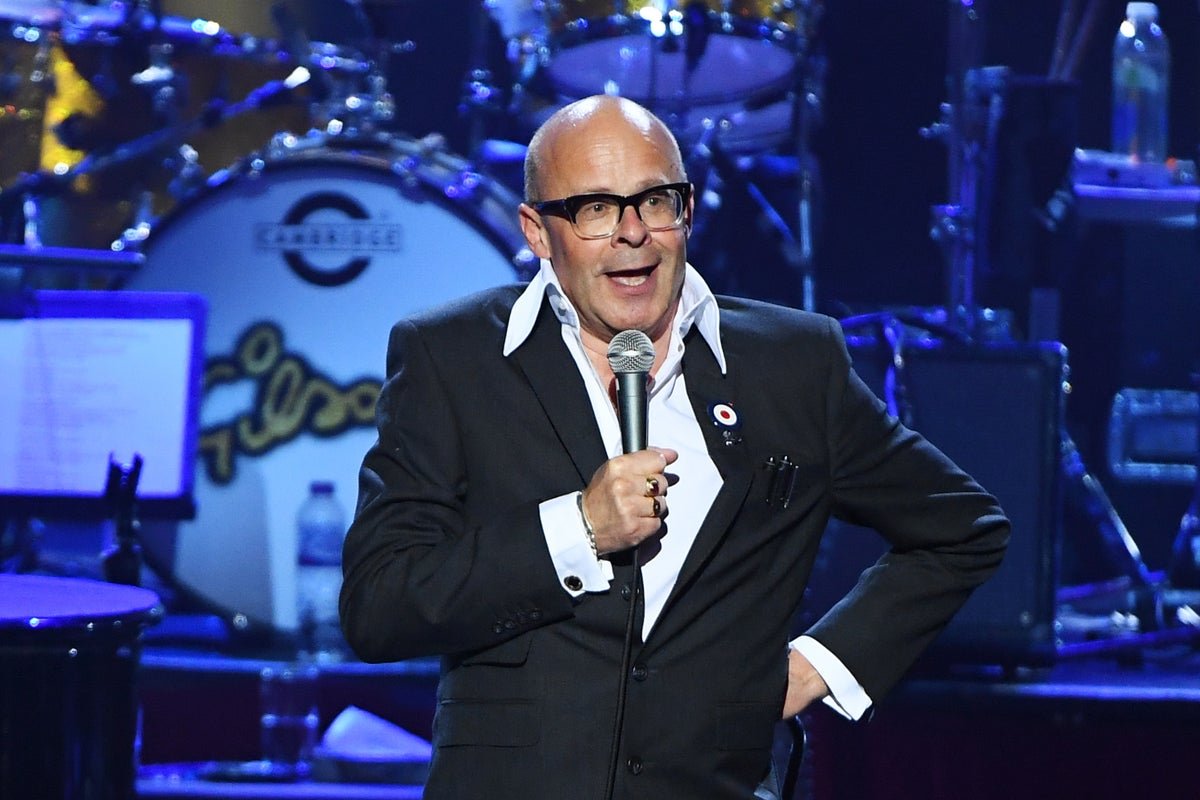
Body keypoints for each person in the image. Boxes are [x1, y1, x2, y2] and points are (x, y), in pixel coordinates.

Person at [339, 95, 1010, 799]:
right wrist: (579, 529)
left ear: (687, 210)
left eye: (654, 202)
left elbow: (963, 528)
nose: (633, 234)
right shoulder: (453, 358)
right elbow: (380, 606)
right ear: (538, 232)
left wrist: (815, 667)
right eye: (595, 209)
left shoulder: (794, 364)